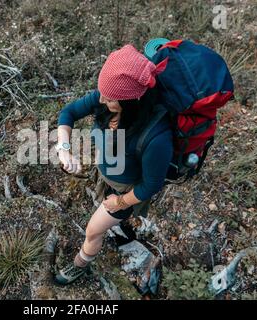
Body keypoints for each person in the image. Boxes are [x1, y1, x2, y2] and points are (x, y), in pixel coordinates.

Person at [54, 44, 172, 285]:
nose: (102, 99)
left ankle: (80, 264)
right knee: (102, 210)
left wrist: (120, 202)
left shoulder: (156, 137)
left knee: (93, 231)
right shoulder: (104, 98)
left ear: (132, 102)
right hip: (109, 172)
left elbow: (151, 185)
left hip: (125, 191)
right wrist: (64, 149)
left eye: (110, 98)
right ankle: (118, 223)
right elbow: (68, 113)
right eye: (102, 93)